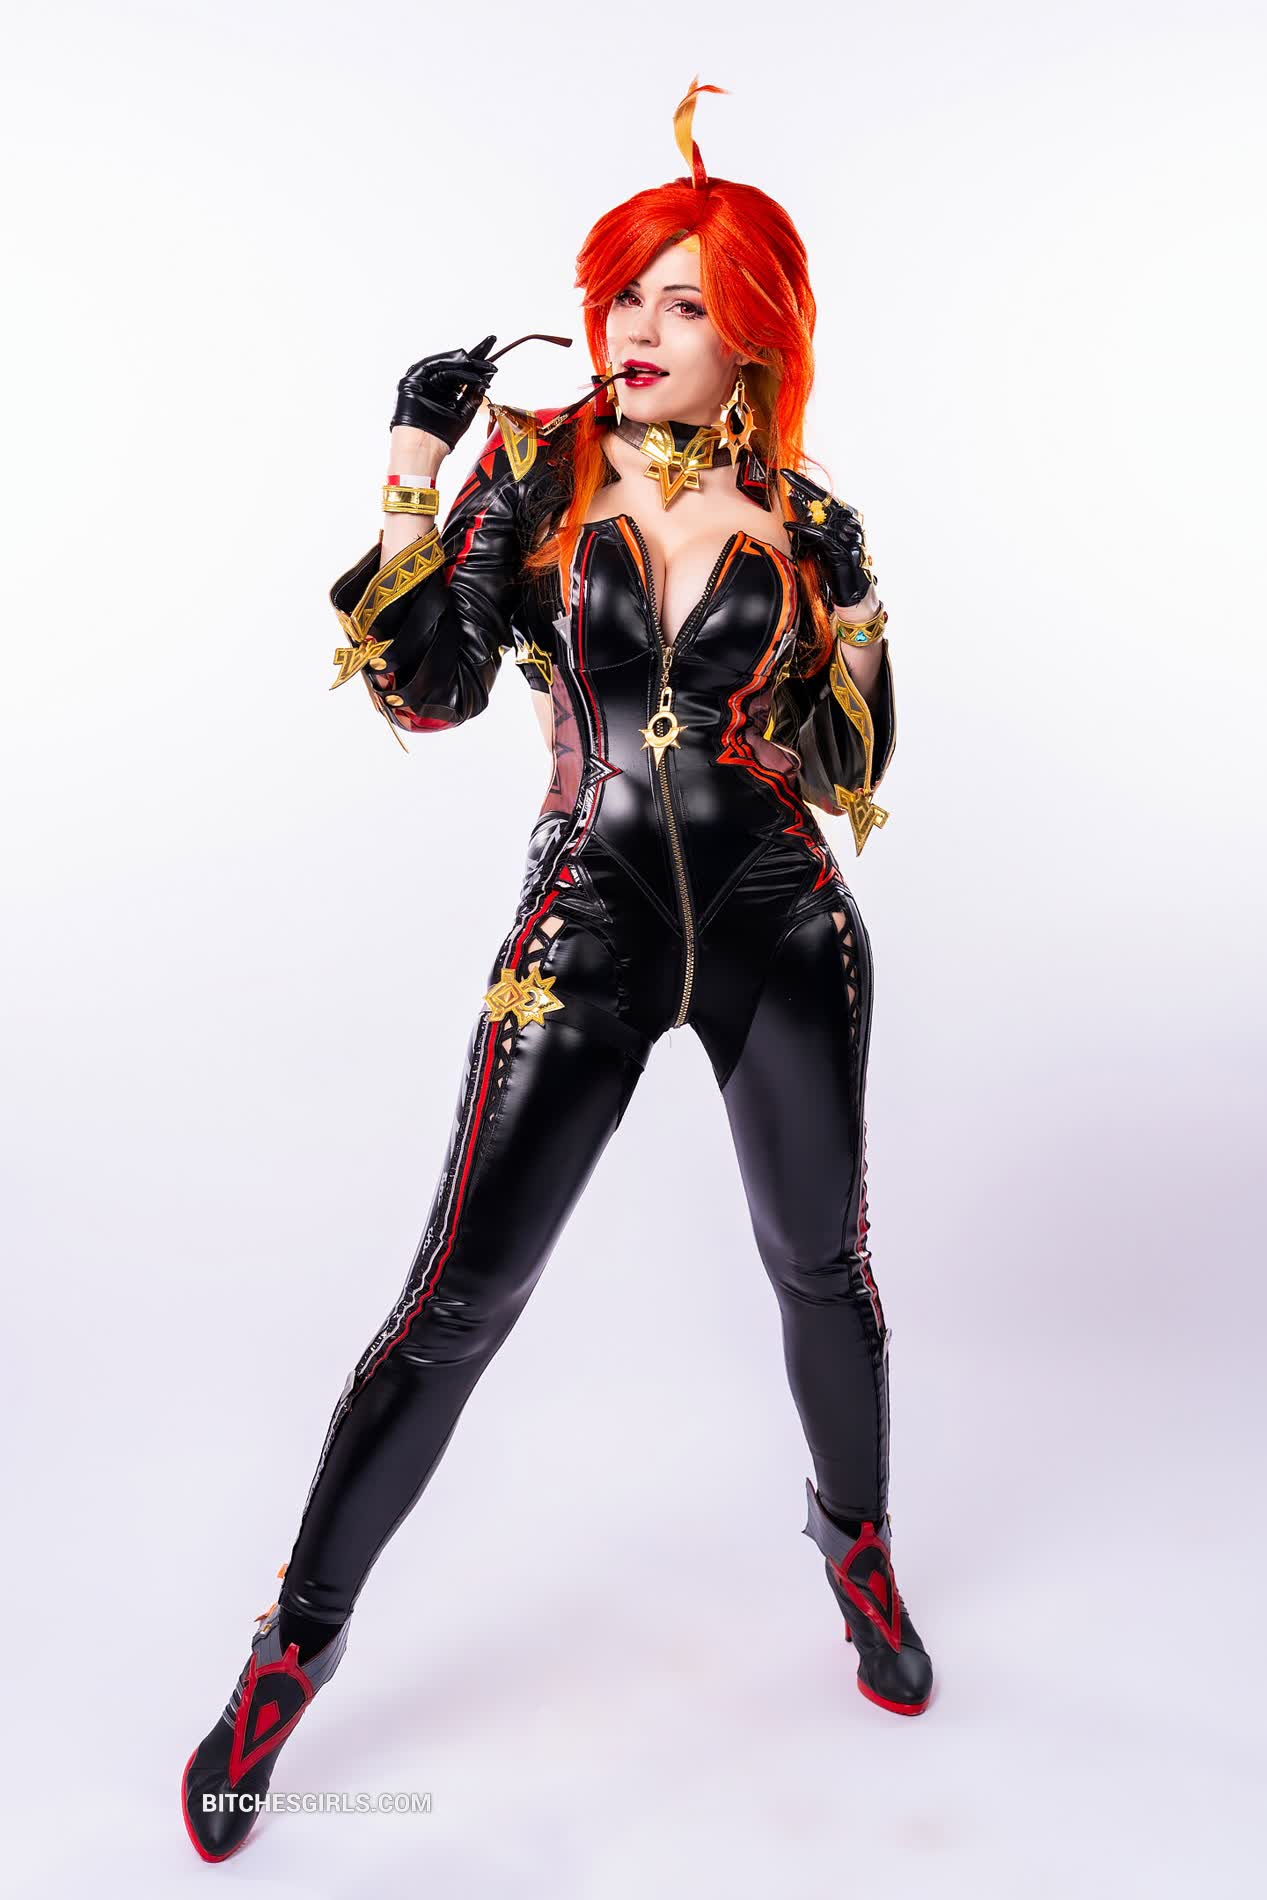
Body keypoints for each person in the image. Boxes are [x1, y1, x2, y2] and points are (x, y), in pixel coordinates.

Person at [182, 74, 933, 1864]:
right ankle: (290, 1653)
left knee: (820, 1267)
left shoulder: (800, 506)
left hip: (782, 923)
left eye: (685, 302)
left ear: (755, 336)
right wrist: (411, 468)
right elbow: (431, 688)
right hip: (583, 927)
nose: (638, 330)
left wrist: (855, 602)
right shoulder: (538, 469)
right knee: (458, 1298)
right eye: (623, 295)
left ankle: (858, 1552)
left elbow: (854, 768)